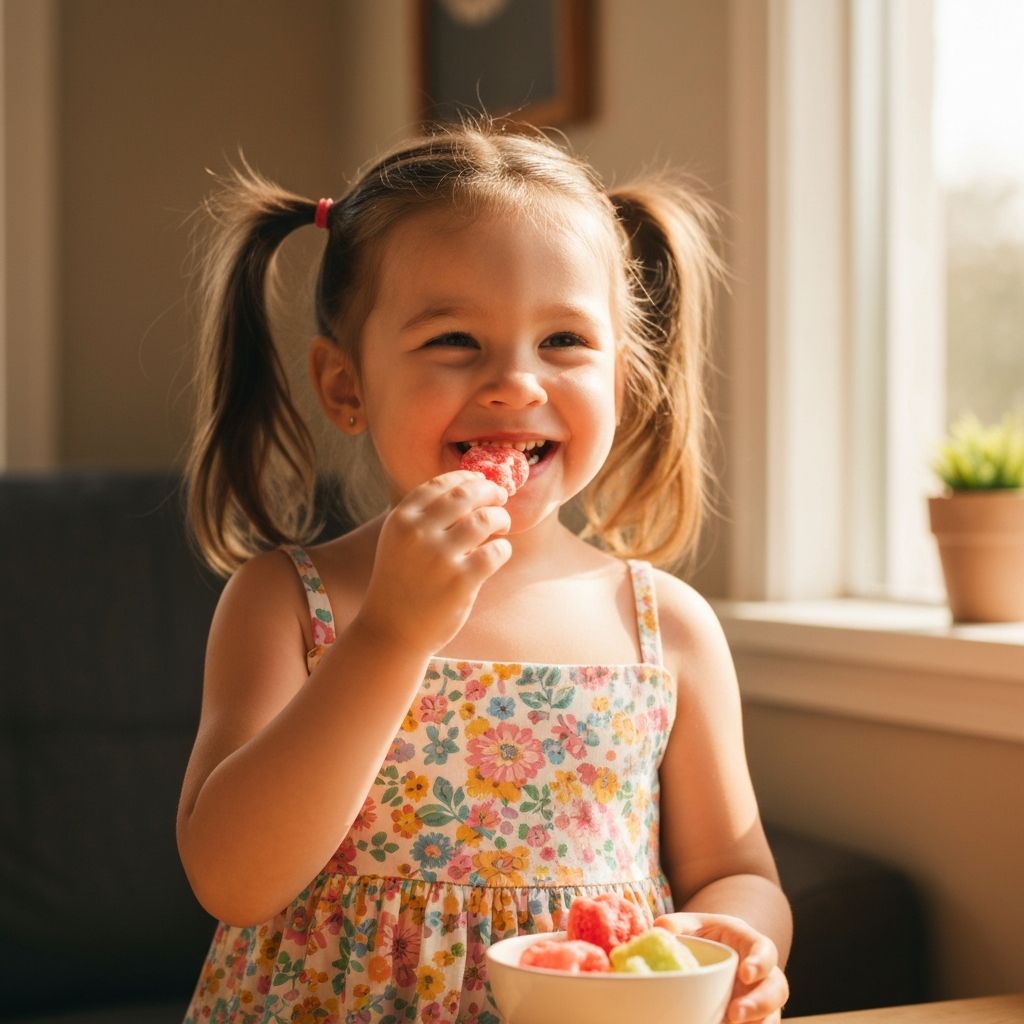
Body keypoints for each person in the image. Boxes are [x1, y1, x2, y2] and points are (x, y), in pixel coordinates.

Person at [177, 117, 791, 1024]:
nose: (515, 383)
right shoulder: (287, 602)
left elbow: (736, 870)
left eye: (564, 341)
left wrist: (740, 937)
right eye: (455, 340)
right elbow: (232, 880)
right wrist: (390, 636)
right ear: (347, 386)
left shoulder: (666, 627)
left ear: (623, 380)